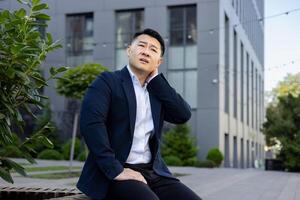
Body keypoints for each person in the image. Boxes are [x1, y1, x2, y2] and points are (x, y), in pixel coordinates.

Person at [77, 28, 202, 200]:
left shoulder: (156, 92)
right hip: (115, 170)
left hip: (153, 172)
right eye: (141, 45)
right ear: (129, 50)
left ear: (159, 61)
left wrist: (157, 81)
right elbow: (91, 125)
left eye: (153, 49)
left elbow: (183, 115)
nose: (146, 51)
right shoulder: (107, 82)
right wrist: (116, 170)